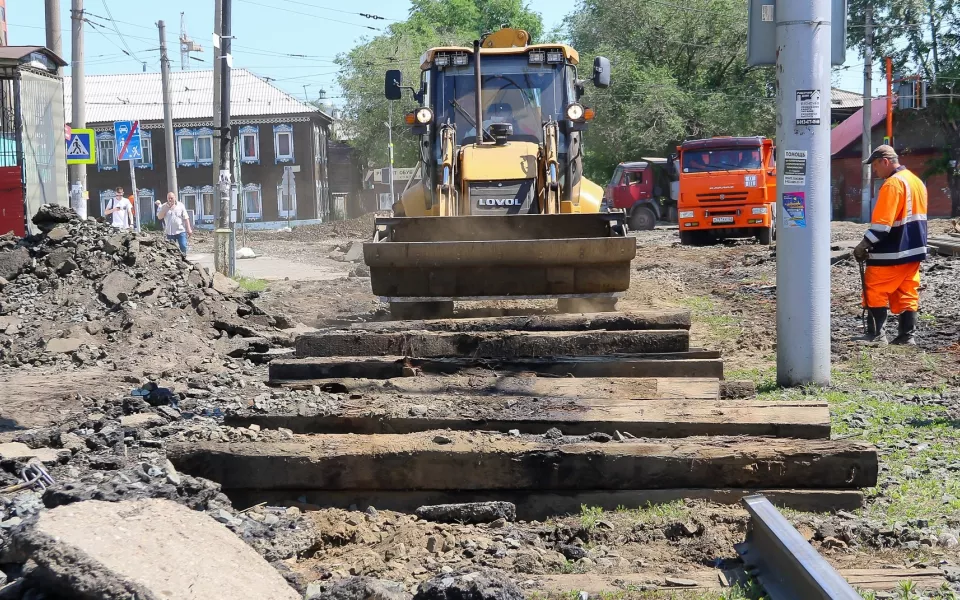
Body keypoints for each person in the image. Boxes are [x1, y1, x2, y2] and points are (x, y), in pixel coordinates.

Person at [854, 145, 928, 346]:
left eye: (875, 166)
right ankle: (906, 336)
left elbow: (882, 225)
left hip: (892, 251)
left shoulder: (892, 184)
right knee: (906, 291)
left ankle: (877, 335)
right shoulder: (916, 181)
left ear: (885, 161)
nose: (874, 171)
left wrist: (863, 244)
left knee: (874, 288)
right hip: (914, 251)